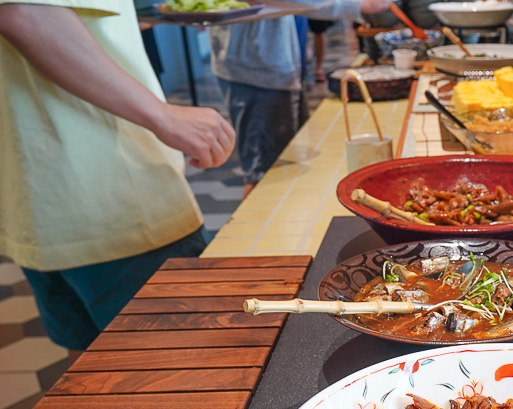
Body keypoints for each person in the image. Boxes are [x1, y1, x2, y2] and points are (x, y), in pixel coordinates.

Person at [0, 0, 235, 351]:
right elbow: (25, 12)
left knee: (97, 377)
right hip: (110, 195)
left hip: (35, 204)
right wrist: (162, 115)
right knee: (178, 365)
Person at [210, 0, 392, 196]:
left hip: (270, 64)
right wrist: (356, 4)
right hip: (255, 70)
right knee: (266, 178)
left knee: (286, 167)